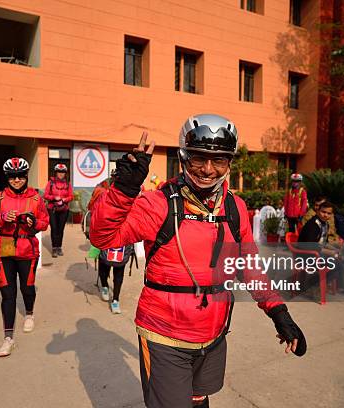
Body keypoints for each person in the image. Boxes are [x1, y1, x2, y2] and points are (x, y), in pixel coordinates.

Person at [90, 114, 306, 408]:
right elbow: (103, 238)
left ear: (229, 162)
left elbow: (248, 265)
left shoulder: (235, 207)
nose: (208, 169)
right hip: (165, 335)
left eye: (219, 160)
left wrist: (278, 311)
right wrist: (123, 190)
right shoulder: (159, 203)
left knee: (199, 400)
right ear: (183, 157)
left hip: (213, 335)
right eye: (198, 159)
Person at [0, 157, 49, 357]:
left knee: (27, 288)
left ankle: (29, 313)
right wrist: (2, 218)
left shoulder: (36, 198)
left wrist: (33, 222)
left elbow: (44, 223)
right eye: (13, 177)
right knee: (8, 294)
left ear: (26, 176)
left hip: (28, 248)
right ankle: (8, 338)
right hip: (5, 247)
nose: (17, 180)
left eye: (20, 176)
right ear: (7, 178)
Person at [298, 201, 344, 296]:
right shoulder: (313, 225)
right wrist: (331, 253)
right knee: (337, 264)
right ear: (318, 211)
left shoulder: (325, 224)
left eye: (328, 213)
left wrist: (336, 250)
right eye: (323, 212)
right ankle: (312, 286)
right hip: (306, 255)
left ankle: (314, 285)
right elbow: (310, 245)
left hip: (317, 254)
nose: (325, 215)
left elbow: (324, 242)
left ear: (331, 214)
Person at [43, 163, 73, 257]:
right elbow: (45, 195)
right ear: (55, 173)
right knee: (54, 229)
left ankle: (59, 247)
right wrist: (54, 198)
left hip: (64, 209)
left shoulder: (68, 184)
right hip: (52, 209)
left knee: (61, 229)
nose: (61, 174)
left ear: (65, 173)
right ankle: (54, 248)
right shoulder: (50, 183)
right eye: (59, 172)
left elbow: (71, 196)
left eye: (63, 172)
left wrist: (64, 199)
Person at [98, 244, 134, 314]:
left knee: (119, 273)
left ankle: (115, 300)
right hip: (107, 241)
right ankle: (104, 286)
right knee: (103, 267)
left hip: (123, 243)